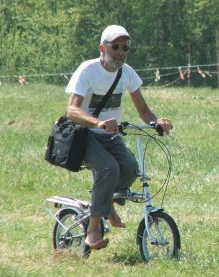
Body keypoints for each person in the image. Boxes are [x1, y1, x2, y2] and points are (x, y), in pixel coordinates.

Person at [65, 25, 173, 250]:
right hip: (84, 135)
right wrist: (98, 122)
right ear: (102, 48)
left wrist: (158, 123)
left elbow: (144, 112)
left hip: (110, 136)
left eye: (125, 47)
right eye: (115, 47)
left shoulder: (127, 73)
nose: (121, 52)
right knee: (109, 168)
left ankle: (105, 204)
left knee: (131, 168)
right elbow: (72, 111)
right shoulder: (88, 70)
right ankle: (93, 228)